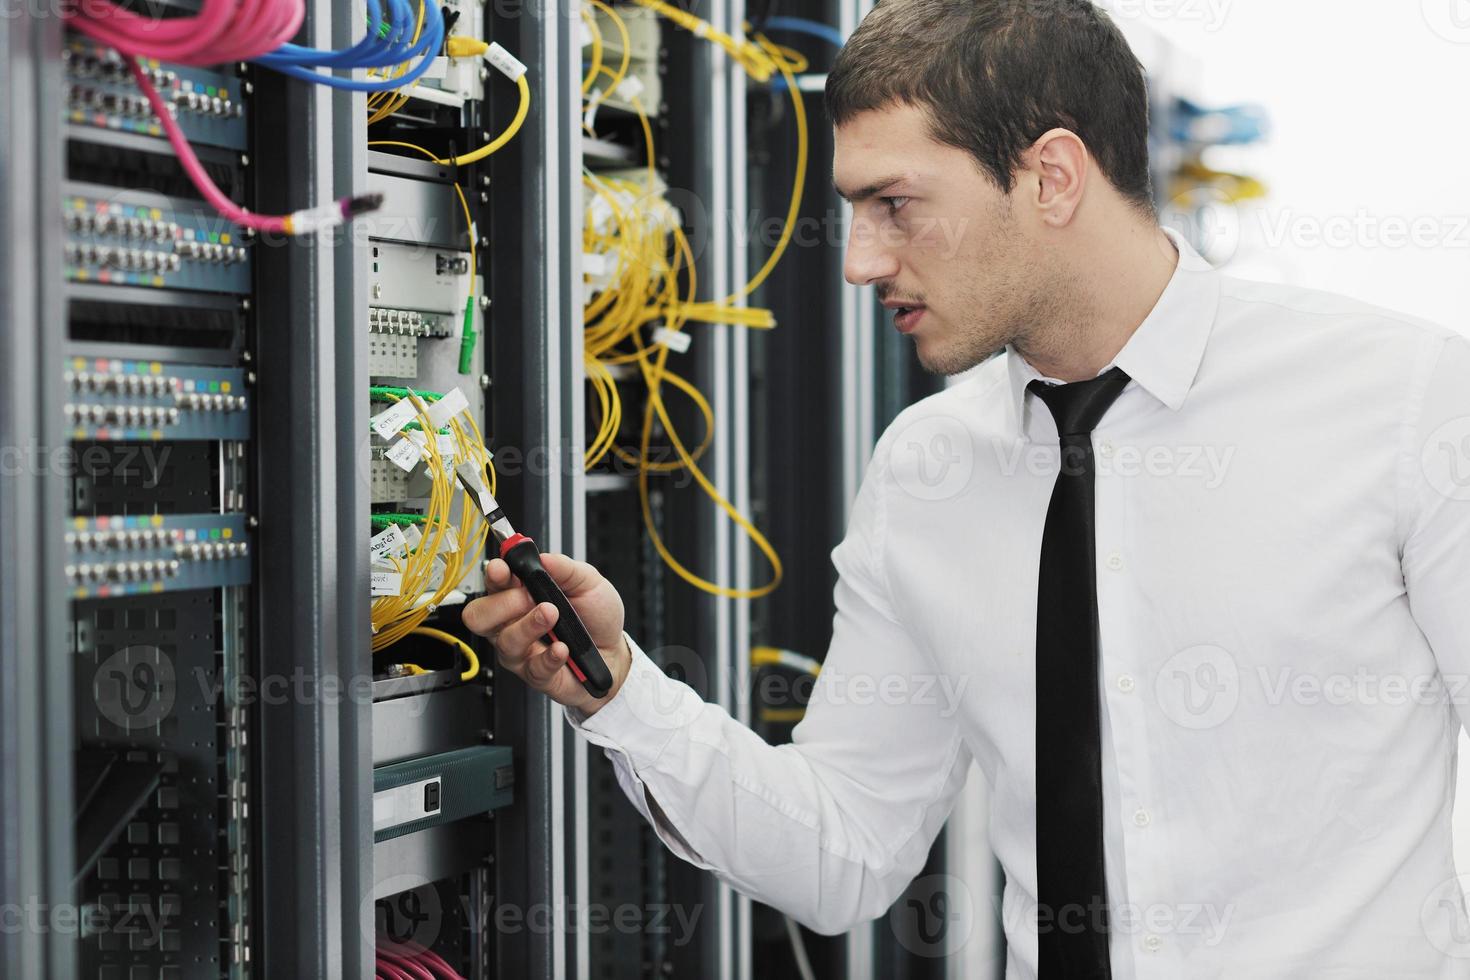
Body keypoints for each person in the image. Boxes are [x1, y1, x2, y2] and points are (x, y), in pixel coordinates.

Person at [463, 0, 1470, 975]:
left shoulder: (1402, 403)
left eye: (895, 205)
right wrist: (620, 686)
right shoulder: (928, 467)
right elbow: (846, 846)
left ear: (1052, 178)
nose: (859, 261)